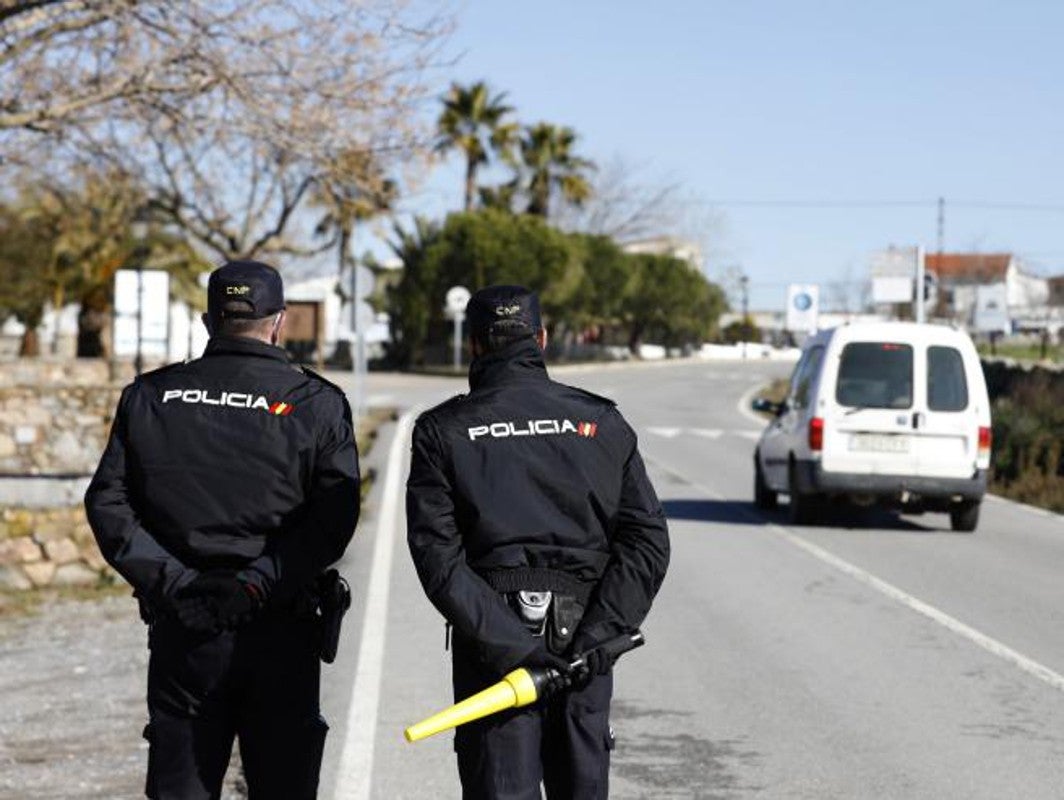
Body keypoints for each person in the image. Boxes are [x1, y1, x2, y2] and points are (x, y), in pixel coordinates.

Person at [85, 260, 360, 800]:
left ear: (208, 322)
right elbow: (334, 519)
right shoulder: (318, 404)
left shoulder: (150, 395)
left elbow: (108, 503)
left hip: (185, 628)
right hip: (281, 624)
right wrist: (259, 581)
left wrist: (176, 583)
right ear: (278, 322)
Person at [406, 285, 670, 799]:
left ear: (474, 346)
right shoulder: (602, 422)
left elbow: (437, 557)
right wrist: (600, 635)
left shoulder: (443, 430)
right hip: (586, 640)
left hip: (494, 654)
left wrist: (509, 645)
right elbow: (647, 541)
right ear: (542, 338)